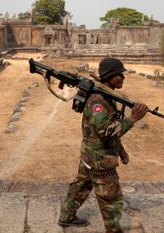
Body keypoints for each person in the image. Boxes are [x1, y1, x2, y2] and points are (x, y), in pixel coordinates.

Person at [58, 57, 149, 233]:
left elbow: (109, 127)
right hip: (99, 159)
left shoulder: (107, 94)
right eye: (120, 75)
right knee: (111, 199)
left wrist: (120, 150)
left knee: (81, 186)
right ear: (111, 76)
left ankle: (66, 216)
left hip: (91, 155)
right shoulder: (98, 100)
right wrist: (133, 119)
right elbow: (106, 130)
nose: (123, 78)